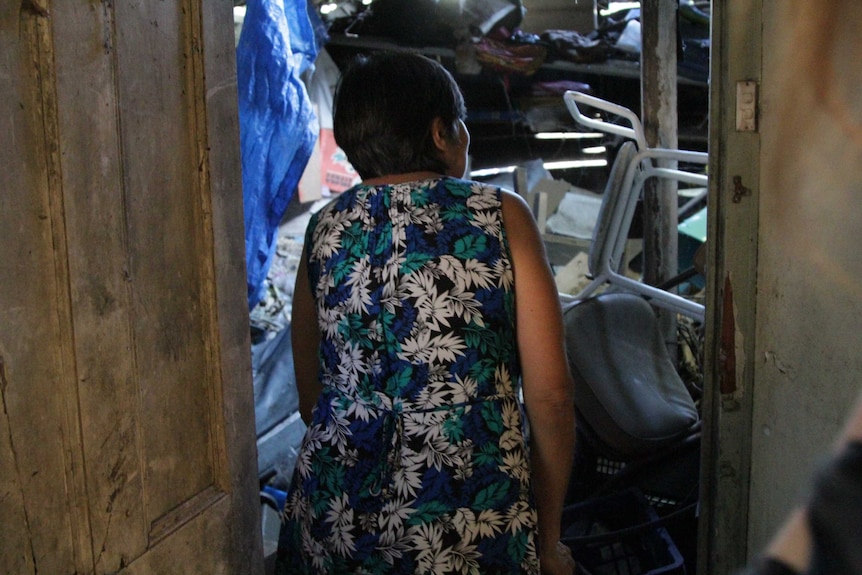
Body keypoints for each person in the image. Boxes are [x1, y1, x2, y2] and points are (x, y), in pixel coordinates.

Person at [274, 51, 576, 574]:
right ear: (442, 133)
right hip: (470, 513)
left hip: (334, 516)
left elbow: (311, 395)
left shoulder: (324, 227)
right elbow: (550, 399)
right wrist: (547, 543)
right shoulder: (499, 215)